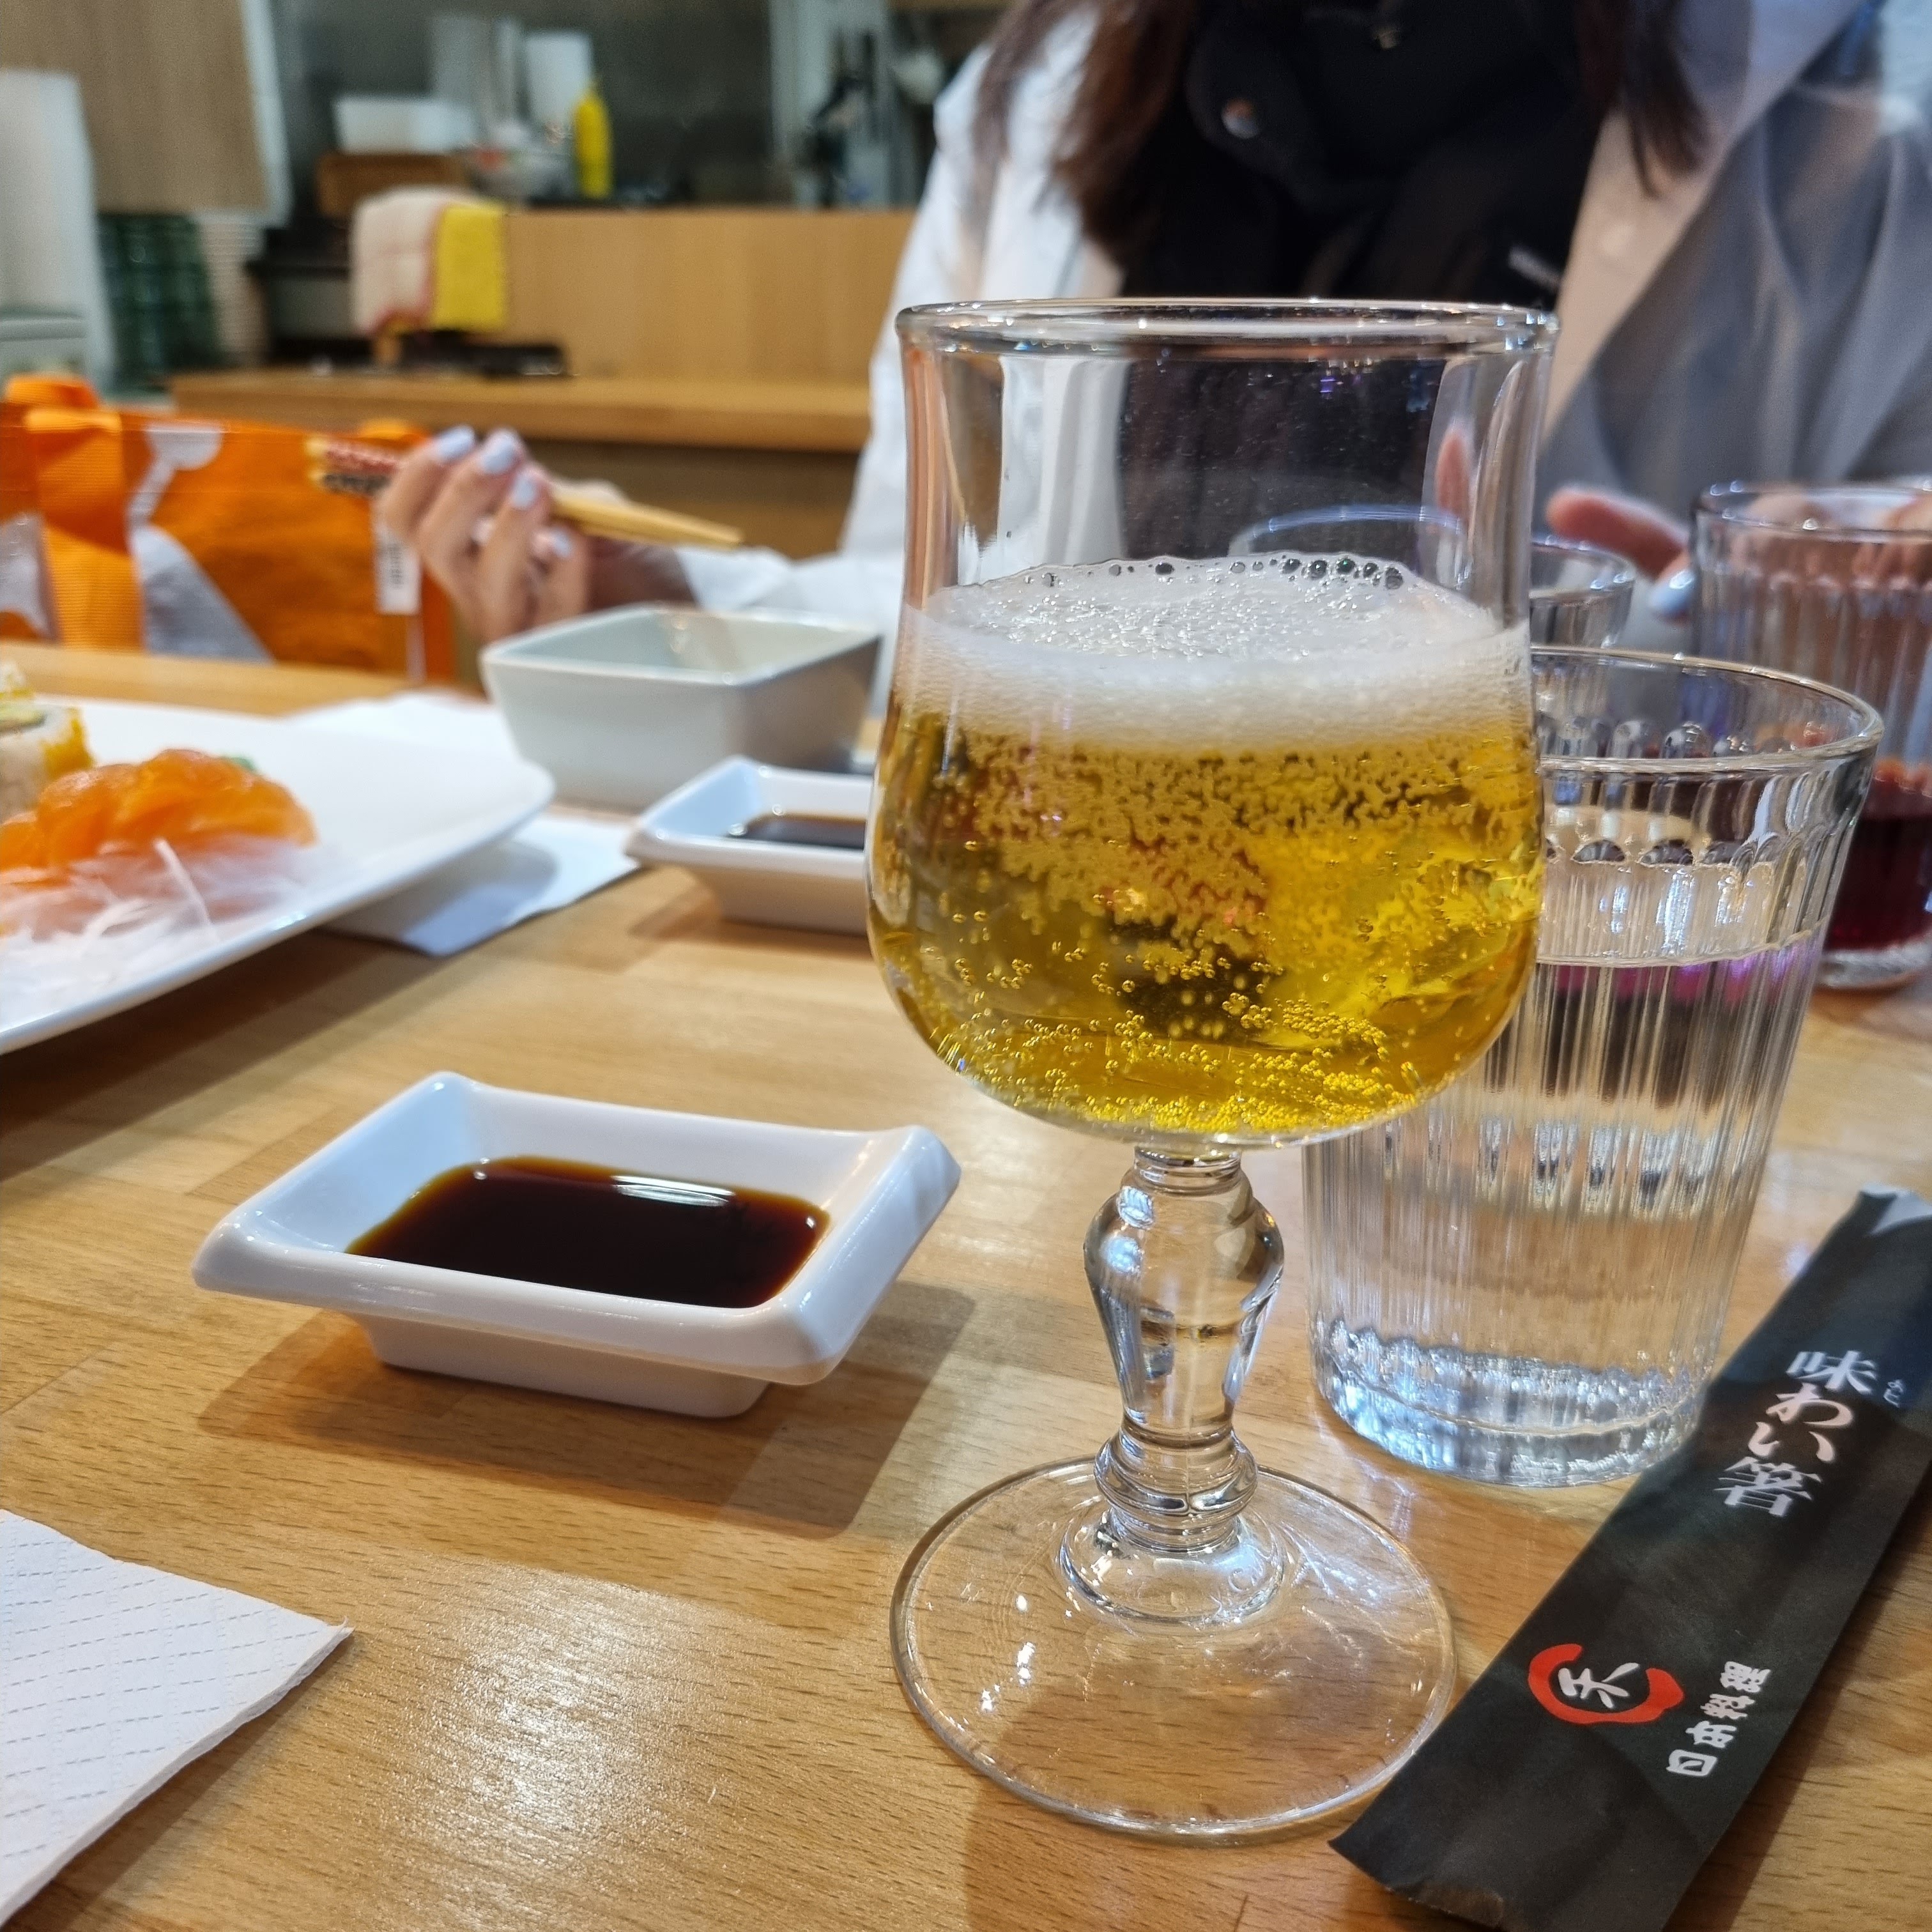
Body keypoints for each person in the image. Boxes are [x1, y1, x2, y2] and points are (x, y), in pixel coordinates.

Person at [379, 0, 1932, 668]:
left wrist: (1767, 625)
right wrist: (675, 605)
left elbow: (1878, 719)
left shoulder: (1861, 125)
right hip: (1097, 940)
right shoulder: (1037, 89)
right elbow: (932, 614)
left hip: (1573, 1059)